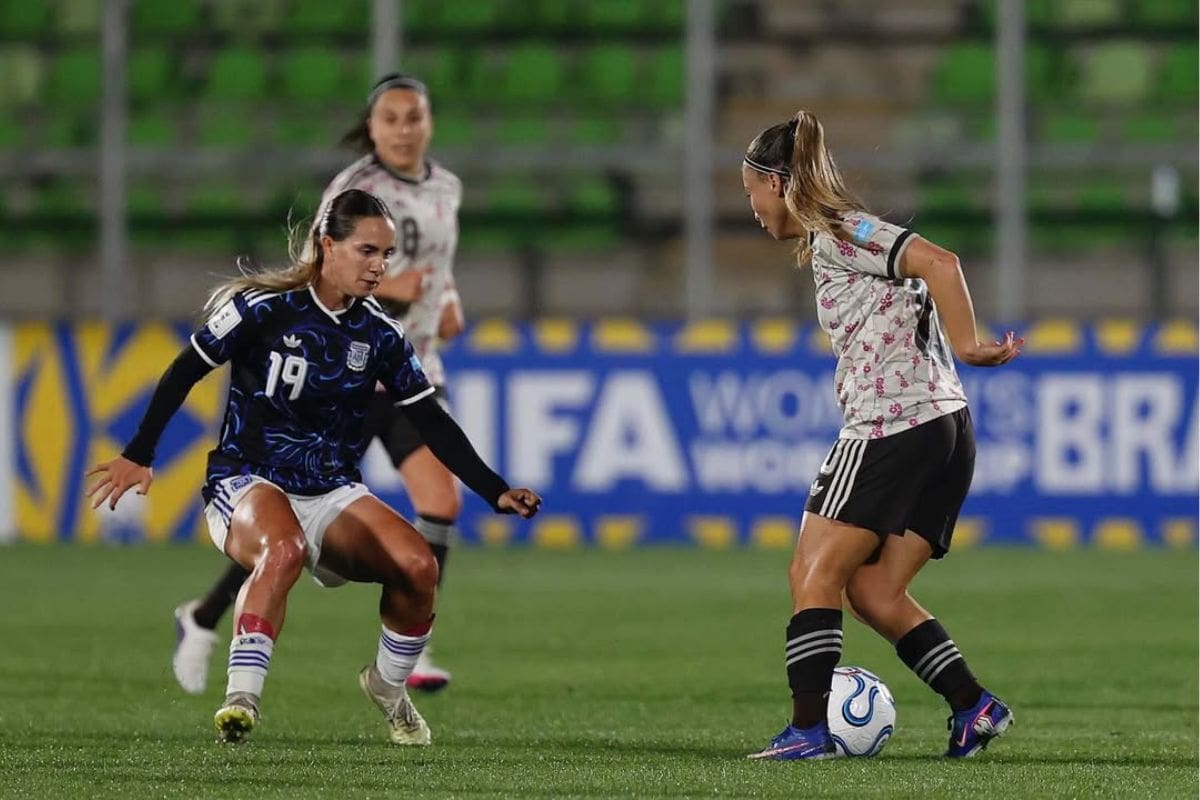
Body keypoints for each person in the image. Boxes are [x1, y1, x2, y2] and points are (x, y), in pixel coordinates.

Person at [86, 189, 541, 745]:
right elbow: (186, 370)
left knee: (418, 567)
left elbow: (431, 420)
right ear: (328, 246)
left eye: (387, 254)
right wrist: (140, 452)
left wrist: (494, 490)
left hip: (328, 490)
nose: (379, 266)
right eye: (368, 251)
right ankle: (241, 700)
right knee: (283, 550)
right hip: (246, 478)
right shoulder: (261, 307)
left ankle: (387, 686)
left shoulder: (380, 334)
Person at [171, 73, 468, 696]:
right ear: (373, 126)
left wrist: (448, 299)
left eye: (415, 117)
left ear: (430, 122)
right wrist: (389, 287)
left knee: (442, 500)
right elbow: (316, 275)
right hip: (343, 377)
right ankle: (203, 616)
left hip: (412, 371)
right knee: (291, 518)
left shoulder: (447, 187)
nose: (405, 130)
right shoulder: (355, 189)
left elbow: (437, 264)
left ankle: (414, 648)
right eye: (391, 119)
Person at [739, 111, 1023, 760]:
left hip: (892, 425)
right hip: (947, 428)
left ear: (776, 183)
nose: (750, 204)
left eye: (749, 188)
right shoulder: (838, 235)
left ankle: (809, 730)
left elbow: (940, 262)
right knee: (873, 590)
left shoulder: (842, 230)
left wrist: (970, 343)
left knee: (811, 572)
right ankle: (973, 705)